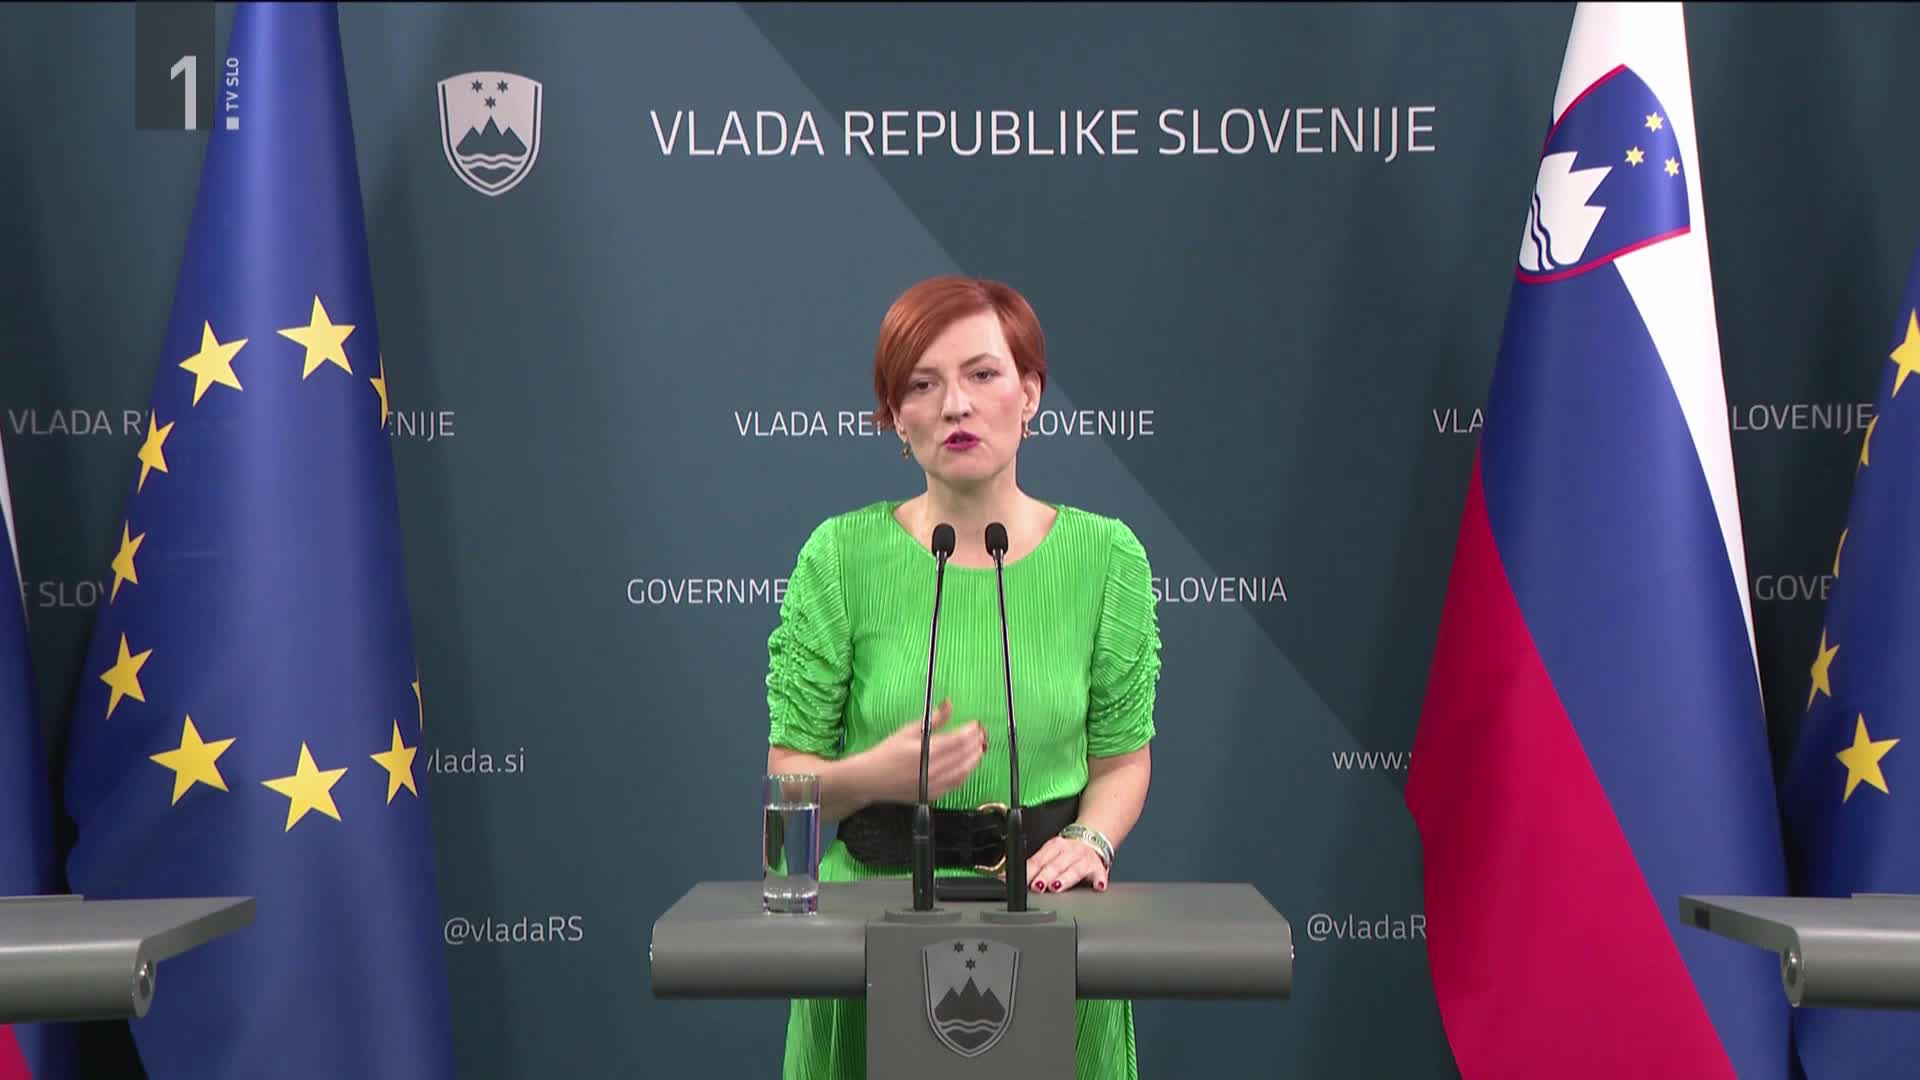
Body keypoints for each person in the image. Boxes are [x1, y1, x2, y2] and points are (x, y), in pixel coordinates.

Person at [764, 275, 1162, 1079]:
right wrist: (875, 775)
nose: (956, 405)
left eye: (982, 374)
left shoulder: (1106, 558)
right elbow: (784, 788)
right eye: (922, 384)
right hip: (868, 925)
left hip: (1050, 920)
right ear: (894, 414)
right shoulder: (839, 556)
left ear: (1030, 393)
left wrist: (1090, 839)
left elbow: (1123, 761)